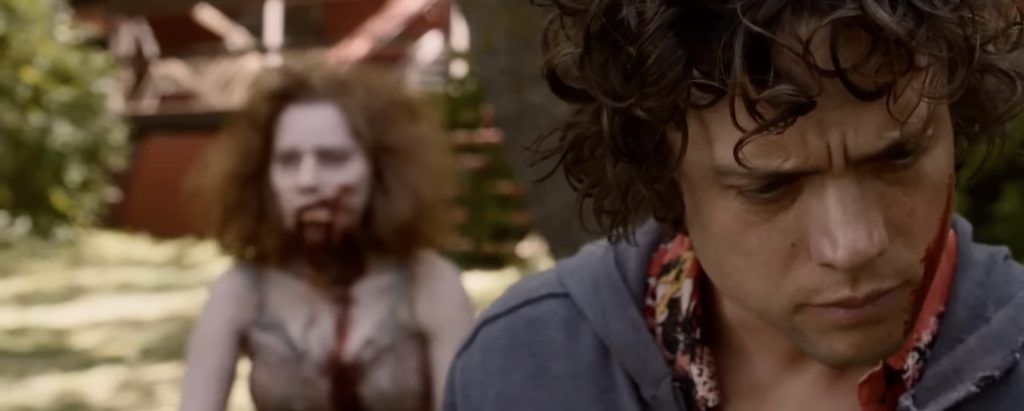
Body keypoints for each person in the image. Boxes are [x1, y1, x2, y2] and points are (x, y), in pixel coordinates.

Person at [445, 1, 1024, 410]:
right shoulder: (523, 369)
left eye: (897, 157)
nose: (852, 245)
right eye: (769, 187)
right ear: (664, 177)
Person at [181, 61, 475, 411]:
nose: (307, 180)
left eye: (333, 159)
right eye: (288, 161)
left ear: (381, 170)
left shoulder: (429, 284)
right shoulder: (242, 291)